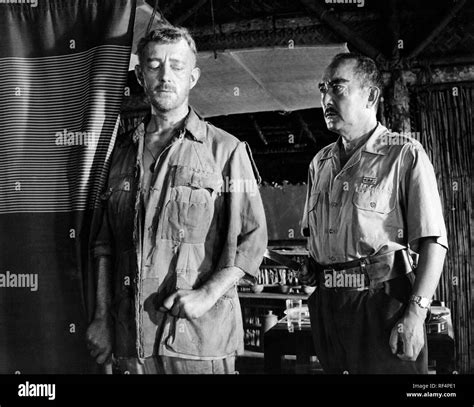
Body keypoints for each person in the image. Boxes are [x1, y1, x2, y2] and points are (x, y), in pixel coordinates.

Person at [85, 25, 267, 374]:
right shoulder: (119, 154)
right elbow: (104, 245)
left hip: (199, 340)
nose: (165, 75)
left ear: (193, 77)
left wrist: (207, 295)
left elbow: (252, 239)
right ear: (140, 75)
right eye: (154, 65)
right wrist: (101, 318)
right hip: (130, 339)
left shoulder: (225, 150)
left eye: (177, 66)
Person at [299, 53, 448, 374]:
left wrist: (416, 313)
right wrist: (311, 269)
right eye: (322, 89)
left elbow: (434, 242)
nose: (326, 98)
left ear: (371, 96)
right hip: (328, 306)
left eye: (337, 88)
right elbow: (314, 240)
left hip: (382, 303)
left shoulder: (403, 153)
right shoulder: (319, 163)